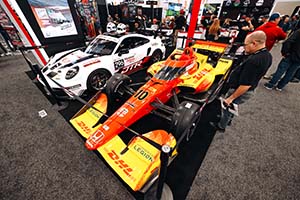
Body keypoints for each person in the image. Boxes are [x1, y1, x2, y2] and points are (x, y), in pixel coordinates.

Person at [210, 31, 272, 132]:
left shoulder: (254, 61)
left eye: (246, 45)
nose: (244, 47)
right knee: (231, 107)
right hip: (248, 89)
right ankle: (227, 119)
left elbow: (246, 84)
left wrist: (231, 98)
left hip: (240, 90)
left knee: (228, 106)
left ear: (254, 43)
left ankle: (221, 126)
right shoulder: (267, 55)